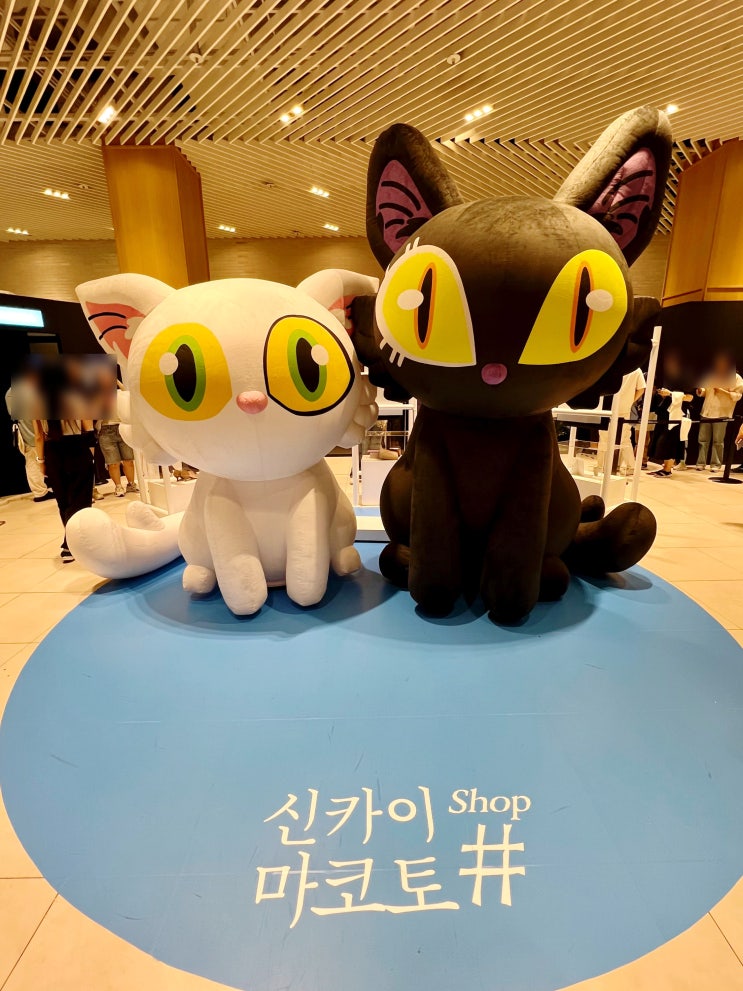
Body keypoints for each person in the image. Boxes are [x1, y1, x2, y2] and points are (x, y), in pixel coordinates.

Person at [33, 418, 95, 561]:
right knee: (80, 499)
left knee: (63, 501)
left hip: (52, 452)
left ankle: (72, 542)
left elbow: (38, 436)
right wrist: (91, 453)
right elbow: (88, 427)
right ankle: (71, 543)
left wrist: (41, 461)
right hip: (78, 448)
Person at [5, 386, 54, 502]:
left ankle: (40, 491)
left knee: (33, 460)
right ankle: (40, 492)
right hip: (31, 432)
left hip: (29, 430)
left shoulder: (11, 393)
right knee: (33, 460)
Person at [696, 355, 743, 472]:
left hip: (722, 412)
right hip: (706, 411)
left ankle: (715, 464)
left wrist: (722, 391)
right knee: (702, 439)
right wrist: (701, 390)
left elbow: (738, 396)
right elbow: (705, 391)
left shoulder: (736, 378)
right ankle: (701, 463)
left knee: (718, 441)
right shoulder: (711, 375)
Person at [595, 367, 645, 476]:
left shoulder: (612, 364)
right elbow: (641, 388)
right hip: (623, 408)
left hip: (607, 406)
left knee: (604, 438)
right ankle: (627, 467)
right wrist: (631, 401)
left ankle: (601, 466)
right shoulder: (636, 369)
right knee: (624, 438)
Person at [648, 389, 693, 477]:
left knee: (670, 442)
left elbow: (689, 398)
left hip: (675, 417)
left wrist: (670, 394)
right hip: (664, 415)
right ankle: (665, 468)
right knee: (662, 442)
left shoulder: (686, 385)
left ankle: (668, 470)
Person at [97, 418, 138, 497]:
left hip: (123, 426)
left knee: (128, 460)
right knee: (113, 462)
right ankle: (118, 486)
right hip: (105, 428)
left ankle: (131, 484)